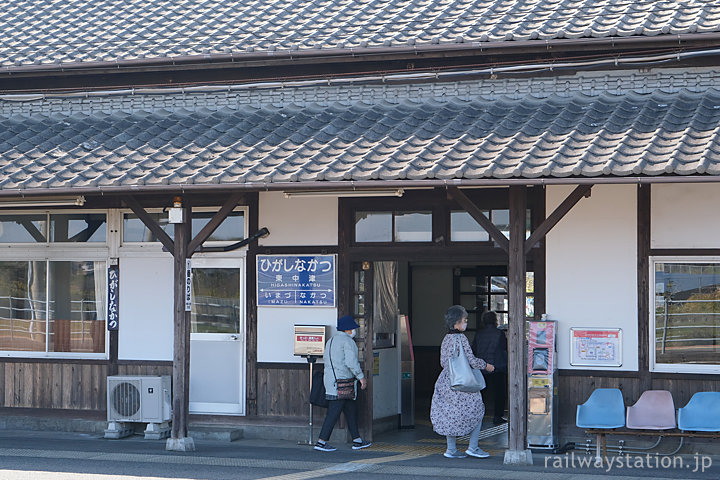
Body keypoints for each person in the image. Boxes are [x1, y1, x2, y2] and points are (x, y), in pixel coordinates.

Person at [430, 305, 495, 459]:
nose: (466, 323)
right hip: (463, 383)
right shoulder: (461, 338)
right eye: (464, 320)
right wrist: (486, 365)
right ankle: (473, 447)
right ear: (457, 322)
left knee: (451, 414)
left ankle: (451, 449)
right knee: (477, 411)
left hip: (446, 381)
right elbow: (471, 360)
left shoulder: (446, 338)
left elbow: (443, 362)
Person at [314, 315, 372, 452]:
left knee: (351, 409)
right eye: (353, 328)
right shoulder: (348, 342)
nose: (354, 331)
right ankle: (321, 442)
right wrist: (361, 377)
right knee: (333, 413)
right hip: (343, 383)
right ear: (348, 330)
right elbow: (351, 362)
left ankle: (357, 440)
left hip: (332, 382)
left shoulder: (331, 341)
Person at [472, 310, 508, 425]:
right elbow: (505, 348)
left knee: (481, 393)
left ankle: (477, 416)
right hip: (497, 367)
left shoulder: (479, 334)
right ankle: (497, 416)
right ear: (495, 321)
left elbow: (474, 350)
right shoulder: (500, 334)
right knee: (499, 393)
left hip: (482, 367)